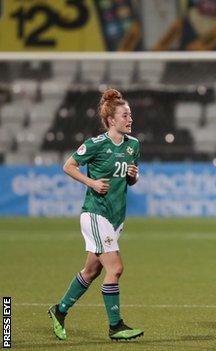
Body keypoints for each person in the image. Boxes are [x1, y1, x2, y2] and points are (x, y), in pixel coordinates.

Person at [47, 89, 143, 341]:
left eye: (130, 114)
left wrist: (133, 177)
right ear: (112, 120)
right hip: (95, 214)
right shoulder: (96, 144)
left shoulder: (133, 145)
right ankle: (116, 327)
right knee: (116, 268)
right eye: (125, 115)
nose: (130, 119)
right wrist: (91, 182)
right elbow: (68, 165)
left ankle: (59, 310)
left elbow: (130, 180)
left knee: (91, 271)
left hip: (115, 217)